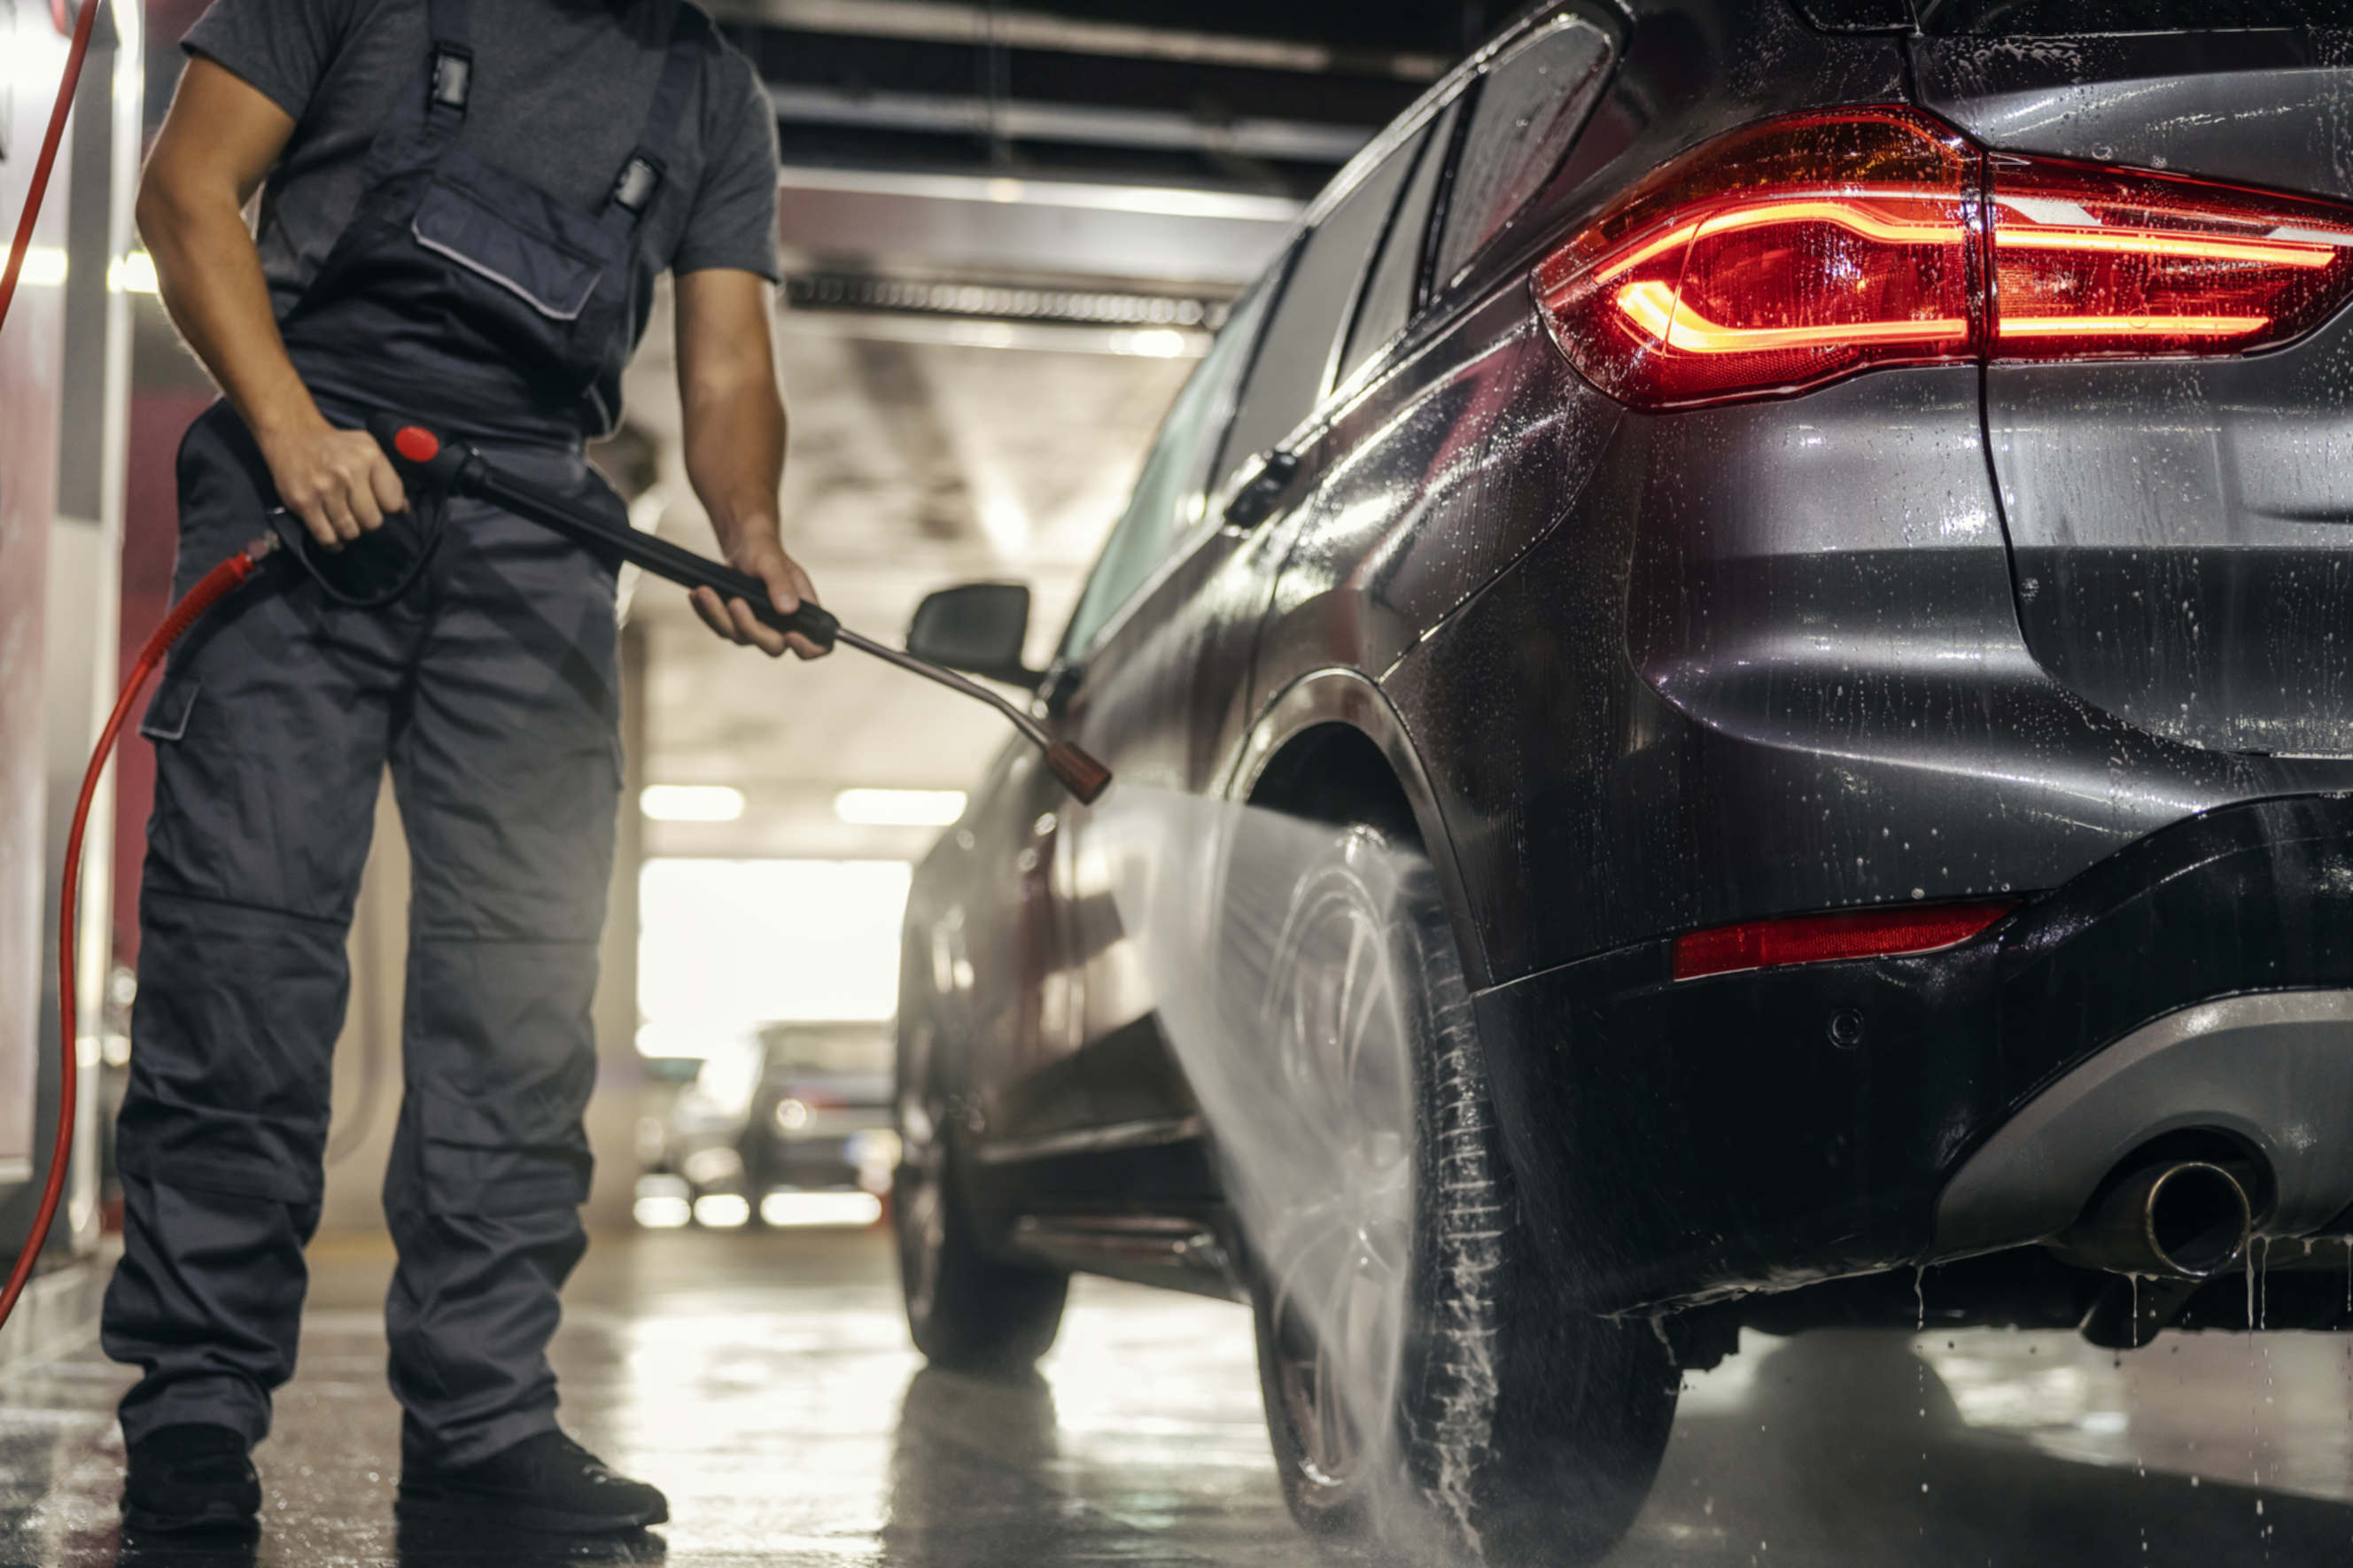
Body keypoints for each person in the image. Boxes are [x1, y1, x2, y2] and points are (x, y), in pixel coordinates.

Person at [105, 0, 822, 1538]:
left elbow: (727, 359)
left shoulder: (712, 91)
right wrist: (292, 434)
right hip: (303, 485)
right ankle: (195, 1412)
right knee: (246, 962)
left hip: (539, 533)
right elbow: (185, 195)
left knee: (521, 999)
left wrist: (748, 526)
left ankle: (487, 1416)